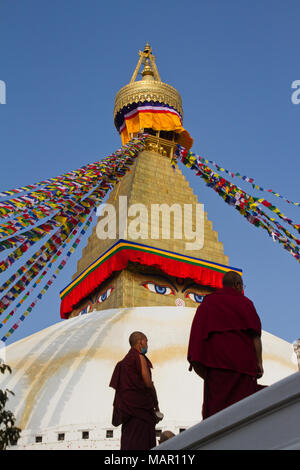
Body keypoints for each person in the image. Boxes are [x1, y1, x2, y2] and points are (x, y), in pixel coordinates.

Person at [187, 271, 264, 419]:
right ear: (237, 284)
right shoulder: (246, 303)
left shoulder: (208, 302)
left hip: (216, 371)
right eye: (242, 285)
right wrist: (259, 363)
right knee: (244, 413)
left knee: (217, 417)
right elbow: (255, 336)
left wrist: (204, 371)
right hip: (244, 369)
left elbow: (197, 339)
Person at [109, 331, 161, 450]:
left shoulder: (121, 364)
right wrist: (156, 405)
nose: (147, 344)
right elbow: (148, 383)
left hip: (128, 411)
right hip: (141, 410)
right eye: (146, 341)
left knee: (130, 441)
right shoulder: (139, 357)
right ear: (140, 342)